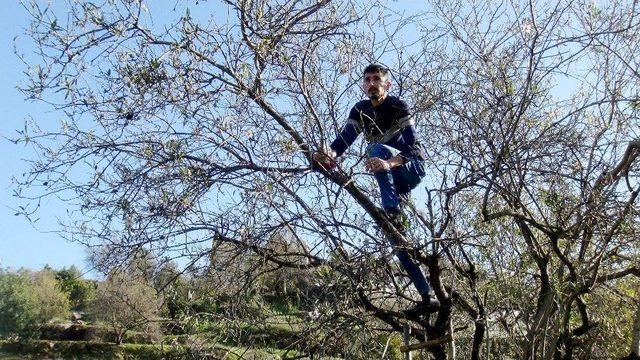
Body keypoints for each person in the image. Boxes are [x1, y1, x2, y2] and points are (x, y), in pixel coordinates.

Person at [313, 64, 440, 315]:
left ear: (387, 84)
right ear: (364, 84)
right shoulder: (360, 110)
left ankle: (390, 208)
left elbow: (414, 149)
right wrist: (326, 156)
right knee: (397, 240)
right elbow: (343, 141)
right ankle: (427, 296)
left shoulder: (397, 106)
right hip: (393, 182)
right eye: (368, 79)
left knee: (375, 151)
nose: (372, 83)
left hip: (409, 168)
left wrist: (388, 163)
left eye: (377, 79)